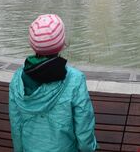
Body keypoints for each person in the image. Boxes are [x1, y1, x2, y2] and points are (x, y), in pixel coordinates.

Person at [8, 14, 97, 152]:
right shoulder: (75, 80)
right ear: (62, 44)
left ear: (32, 44)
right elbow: (84, 127)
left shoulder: (17, 79)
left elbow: (16, 124)